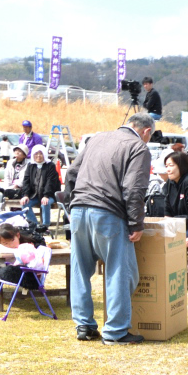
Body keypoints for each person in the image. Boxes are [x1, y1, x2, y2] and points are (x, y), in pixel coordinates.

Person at [66, 113, 154, 345]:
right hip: (108, 212)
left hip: (79, 209)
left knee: (79, 269)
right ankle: (115, 331)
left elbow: (72, 173)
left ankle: (84, 325)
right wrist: (136, 223)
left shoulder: (96, 138)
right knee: (119, 271)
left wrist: (73, 204)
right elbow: (134, 188)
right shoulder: (138, 147)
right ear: (146, 131)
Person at [20, 145, 60, 232]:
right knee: (25, 204)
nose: (38, 156)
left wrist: (46, 195)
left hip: (49, 194)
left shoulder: (50, 166)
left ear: (44, 154)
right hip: (34, 195)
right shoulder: (30, 165)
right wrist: (26, 195)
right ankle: (35, 226)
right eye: (36, 154)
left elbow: (51, 182)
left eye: (41, 153)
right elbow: (26, 181)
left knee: (45, 203)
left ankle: (45, 226)